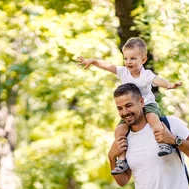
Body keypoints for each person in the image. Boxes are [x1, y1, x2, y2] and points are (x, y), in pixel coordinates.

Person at [77, 37, 182, 175]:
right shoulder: (123, 72)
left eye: (133, 59)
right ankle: (122, 160)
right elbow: (109, 66)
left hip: (148, 105)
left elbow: (157, 80)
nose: (128, 62)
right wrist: (94, 61)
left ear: (143, 60)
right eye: (126, 58)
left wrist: (168, 84)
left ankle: (164, 143)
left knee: (152, 119)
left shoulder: (146, 74)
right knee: (119, 131)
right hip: (131, 109)